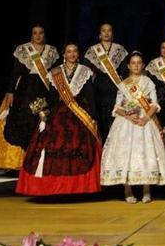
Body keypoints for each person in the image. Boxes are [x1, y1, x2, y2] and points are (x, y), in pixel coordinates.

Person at [16, 43, 102, 196]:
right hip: (58, 112)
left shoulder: (85, 71)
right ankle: (49, 187)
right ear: (64, 54)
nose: (72, 54)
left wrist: (93, 117)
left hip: (79, 112)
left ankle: (77, 187)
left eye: (75, 51)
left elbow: (90, 97)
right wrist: (42, 111)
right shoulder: (55, 72)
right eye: (69, 51)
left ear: (78, 54)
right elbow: (49, 96)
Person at [100, 52, 165, 203]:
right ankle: (127, 190)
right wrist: (127, 115)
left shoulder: (148, 82)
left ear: (143, 65)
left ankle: (146, 190)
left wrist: (145, 118)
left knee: (146, 152)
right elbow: (117, 107)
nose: (136, 65)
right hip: (127, 121)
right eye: (133, 63)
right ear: (128, 66)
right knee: (126, 154)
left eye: (139, 63)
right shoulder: (124, 84)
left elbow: (154, 104)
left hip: (145, 120)